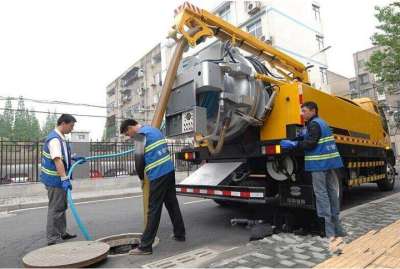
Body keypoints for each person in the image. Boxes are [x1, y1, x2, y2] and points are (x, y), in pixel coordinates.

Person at [280, 101, 346, 252]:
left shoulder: (314, 125)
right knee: (331, 193)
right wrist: (296, 139)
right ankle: (338, 228)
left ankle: (329, 232)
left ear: (313, 110)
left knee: (321, 194)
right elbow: (307, 137)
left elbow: (310, 143)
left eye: (304, 111)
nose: (302, 114)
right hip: (329, 163)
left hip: (319, 165)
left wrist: (293, 145)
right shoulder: (319, 123)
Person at [120, 119, 185, 255]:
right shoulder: (154, 130)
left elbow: (138, 161)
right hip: (169, 171)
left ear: (131, 127)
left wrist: (141, 177)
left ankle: (145, 246)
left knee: (153, 209)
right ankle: (180, 234)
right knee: (172, 204)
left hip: (158, 174)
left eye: (127, 133)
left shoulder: (139, 136)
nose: (129, 136)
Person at [40, 114, 84, 246]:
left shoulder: (61, 138)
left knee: (61, 207)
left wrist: (73, 158)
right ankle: (53, 238)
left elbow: (63, 156)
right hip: (55, 180)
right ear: (63, 123)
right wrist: (65, 178)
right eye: (71, 126)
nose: (72, 129)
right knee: (55, 208)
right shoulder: (54, 139)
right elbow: (57, 160)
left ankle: (62, 233)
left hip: (58, 180)